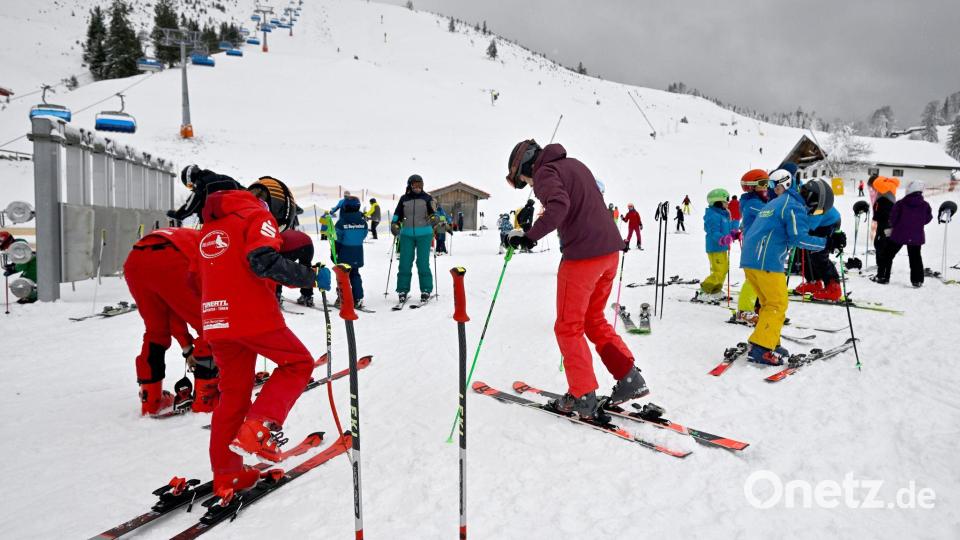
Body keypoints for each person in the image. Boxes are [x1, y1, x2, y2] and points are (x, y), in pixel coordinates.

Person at [197, 172, 326, 500]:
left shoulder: (212, 226)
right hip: (250, 314)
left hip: (215, 319)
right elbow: (262, 261)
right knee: (298, 363)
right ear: (278, 205)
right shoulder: (257, 215)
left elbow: (197, 276)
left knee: (234, 394)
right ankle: (260, 428)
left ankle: (227, 475)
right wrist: (311, 277)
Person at [504, 139, 647, 421]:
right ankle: (629, 377)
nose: (530, 184)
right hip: (608, 254)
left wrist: (529, 236)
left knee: (568, 327)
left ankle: (582, 394)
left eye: (524, 178)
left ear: (528, 164)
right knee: (594, 320)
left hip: (583, 258)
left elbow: (559, 205)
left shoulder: (546, 173)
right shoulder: (575, 165)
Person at [740, 179, 843, 365]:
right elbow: (799, 239)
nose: (814, 213)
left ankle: (769, 340)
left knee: (767, 304)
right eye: (818, 210)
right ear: (813, 200)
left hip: (751, 258)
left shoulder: (780, 200)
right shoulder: (794, 206)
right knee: (777, 304)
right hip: (767, 260)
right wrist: (828, 242)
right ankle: (761, 348)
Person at [123, 227, 219, 415]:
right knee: (210, 326)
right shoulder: (219, 253)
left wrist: (187, 348)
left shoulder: (204, 239)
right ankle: (206, 399)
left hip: (136, 260)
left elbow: (171, 307)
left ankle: (150, 400)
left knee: (156, 331)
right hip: (173, 258)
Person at [391, 174, 438, 303]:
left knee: (422, 263)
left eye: (420, 185)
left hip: (424, 234)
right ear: (410, 185)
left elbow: (435, 213)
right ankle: (402, 290)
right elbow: (397, 215)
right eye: (415, 185)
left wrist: (434, 218)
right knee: (405, 263)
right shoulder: (404, 199)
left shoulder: (427, 198)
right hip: (407, 235)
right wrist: (394, 224)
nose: (418, 187)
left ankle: (426, 290)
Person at [733, 169, 770, 324]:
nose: (766, 187)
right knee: (754, 280)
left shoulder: (759, 201)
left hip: (762, 245)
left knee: (762, 279)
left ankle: (757, 307)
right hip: (755, 246)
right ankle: (743, 311)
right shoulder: (753, 204)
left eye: (768, 183)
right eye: (762, 184)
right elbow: (772, 213)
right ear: (751, 187)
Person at [878, 180, 932, 286]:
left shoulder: (900, 203)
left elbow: (893, 219)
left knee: (888, 255)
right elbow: (927, 219)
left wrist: (897, 225)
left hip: (899, 234)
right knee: (915, 257)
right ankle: (917, 280)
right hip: (916, 236)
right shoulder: (925, 205)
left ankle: (883, 277)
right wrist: (916, 224)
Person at [695, 189, 739, 302]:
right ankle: (704, 290)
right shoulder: (713, 215)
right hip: (715, 247)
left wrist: (733, 233)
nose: (727, 203)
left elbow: (726, 229)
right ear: (717, 202)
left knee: (723, 270)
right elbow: (712, 231)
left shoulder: (723, 215)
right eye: (725, 201)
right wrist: (723, 238)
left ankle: (715, 290)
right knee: (718, 271)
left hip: (723, 247)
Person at [794, 202, 844, 301]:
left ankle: (833, 287)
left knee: (818, 254)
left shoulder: (807, 197)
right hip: (816, 221)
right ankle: (814, 282)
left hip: (827, 222)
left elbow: (810, 223)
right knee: (804, 249)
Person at [168, 165, 244, 223]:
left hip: (219, 222)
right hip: (239, 215)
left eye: (190, 185)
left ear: (191, 178)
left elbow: (191, 204)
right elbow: (243, 189)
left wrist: (178, 215)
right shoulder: (223, 178)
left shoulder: (201, 184)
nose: (192, 188)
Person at [335, 196, 369, 307]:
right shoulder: (363, 223)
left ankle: (343, 298)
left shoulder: (341, 223)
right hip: (357, 253)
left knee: (342, 276)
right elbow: (363, 235)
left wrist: (334, 252)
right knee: (355, 274)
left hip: (344, 253)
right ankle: (358, 298)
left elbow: (338, 239)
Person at [869, 175, 900, 283]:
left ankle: (881, 275)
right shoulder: (891, 194)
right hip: (891, 226)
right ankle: (885, 275)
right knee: (887, 249)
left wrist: (875, 216)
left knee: (880, 247)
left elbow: (877, 215)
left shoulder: (881, 199)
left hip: (883, 225)